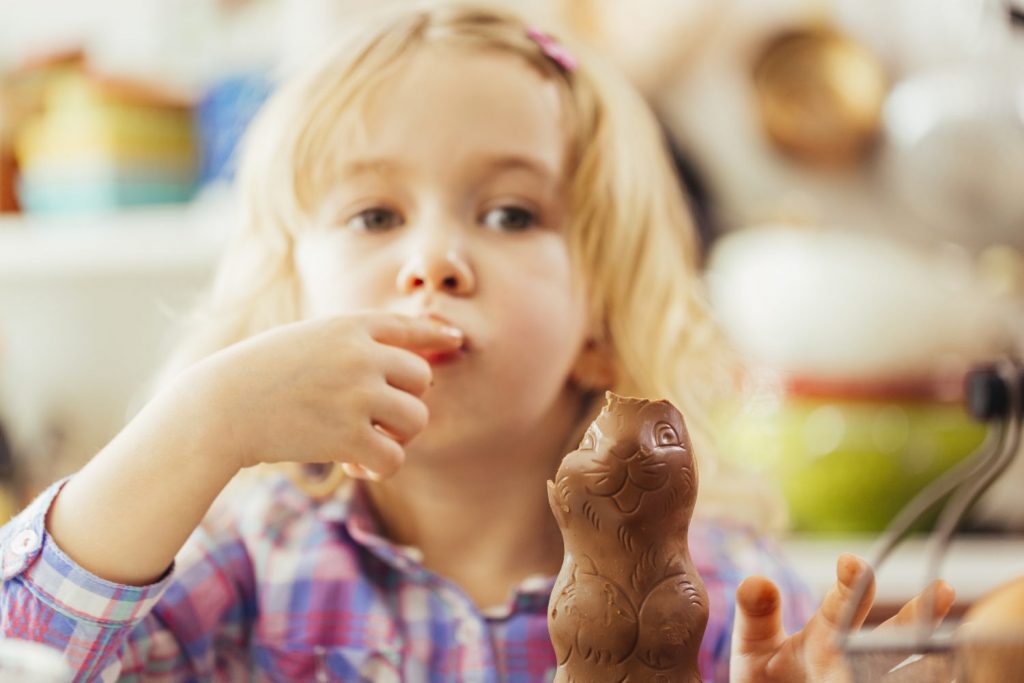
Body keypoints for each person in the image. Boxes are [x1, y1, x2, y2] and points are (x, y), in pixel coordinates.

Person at [0, 4, 953, 681]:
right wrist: (201, 422)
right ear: (293, 303)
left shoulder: (723, 588)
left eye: (509, 211)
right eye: (375, 214)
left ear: (599, 321)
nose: (436, 260)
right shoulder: (248, 566)